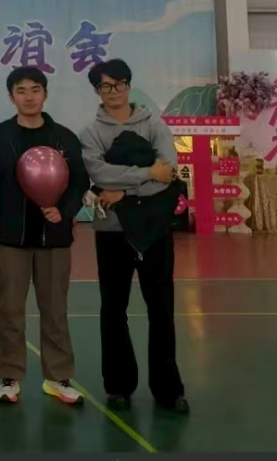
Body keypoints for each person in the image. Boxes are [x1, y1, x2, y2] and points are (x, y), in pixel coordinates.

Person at [79, 59, 189, 414]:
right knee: (114, 309)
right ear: (97, 91)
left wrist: (125, 192)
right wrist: (145, 173)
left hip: (155, 229)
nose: (114, 91)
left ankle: (168, 389)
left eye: (119, 84)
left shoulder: (154, 125)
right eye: (105, 86)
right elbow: (99, 174)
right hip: (112, 231)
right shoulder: (91, 133)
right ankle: (118, 386)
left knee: (162, 309)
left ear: (129, 85)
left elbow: (168, 171)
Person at [0, 67, 90, 405]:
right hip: (9, 240)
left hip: (53, 240)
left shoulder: (64, 138)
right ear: (11, 96)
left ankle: (58, 377)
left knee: (55, 310)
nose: (29, 97)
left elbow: (79, 182)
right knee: (9, 310)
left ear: (45, 94)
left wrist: (65, 211)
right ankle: (8, 376)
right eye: (21, 91)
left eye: (35, 90)